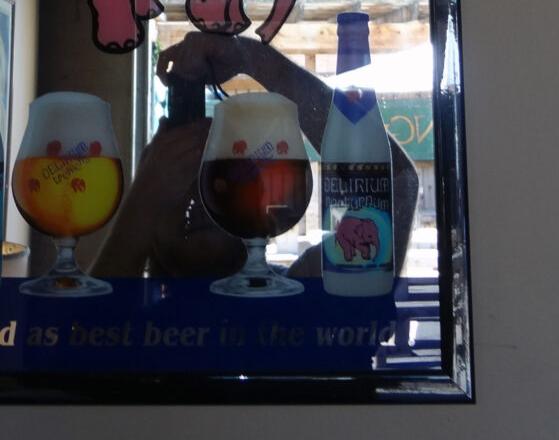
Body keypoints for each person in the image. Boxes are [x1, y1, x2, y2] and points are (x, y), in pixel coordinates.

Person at [90, 31, 418, 279]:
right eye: (176, 178)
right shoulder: (127, 319)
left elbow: (397, 184)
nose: (201, 198)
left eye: (221, 183)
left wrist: (253, 58)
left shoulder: (299, 290)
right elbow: (79, 340)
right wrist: (138, 210)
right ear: (146, 211)